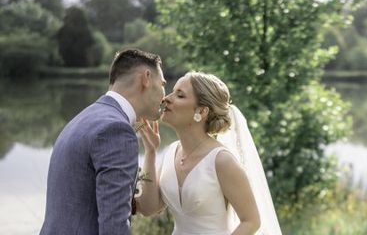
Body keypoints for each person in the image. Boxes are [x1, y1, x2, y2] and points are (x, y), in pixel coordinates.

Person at [136, 71, 282, 235]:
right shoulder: (171, 152)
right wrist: (150, 152)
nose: (167, 98)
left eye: (180, 95)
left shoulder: (221, 160)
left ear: (201, 111)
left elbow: (251, 221)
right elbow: (149, 208)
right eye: (172, 91)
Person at [40, 48, 167, 235]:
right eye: (162, 83)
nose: (165, 95)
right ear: (146, 78)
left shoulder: (83, 118)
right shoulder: (116, 131)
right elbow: (114, 226)